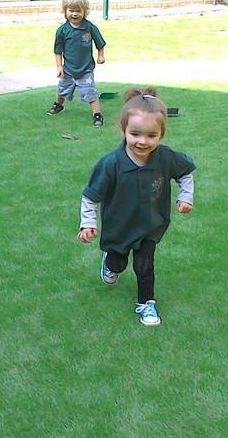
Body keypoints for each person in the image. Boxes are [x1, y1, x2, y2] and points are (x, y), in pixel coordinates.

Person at [78, 88, 195, 326]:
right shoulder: (110, 164)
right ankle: (110, 262)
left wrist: (185, 197)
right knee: (118, 264)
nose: (143, 141)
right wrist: (87, 222)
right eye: (135, 134)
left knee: (145, 266)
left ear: (161, 134)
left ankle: (146, 303)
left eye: (151, 135)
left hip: (150, 226)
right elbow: (91, 196)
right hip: (119, 228)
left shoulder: (165, 157)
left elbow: (185, 173)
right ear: (123, 130)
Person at [46, 0, 107, 127]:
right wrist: (59, 66)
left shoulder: (89, 27)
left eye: (78, 11)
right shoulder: (62, 31)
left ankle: (97, 114)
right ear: (65, 11)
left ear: (85, 12)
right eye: (71, 10)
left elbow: (100, 42)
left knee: (89, 91)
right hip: (68, 69)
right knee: (63, 88)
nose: (74, 14)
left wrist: (101, 55)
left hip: (86, 69)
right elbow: (58, 50)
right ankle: (58, 105)